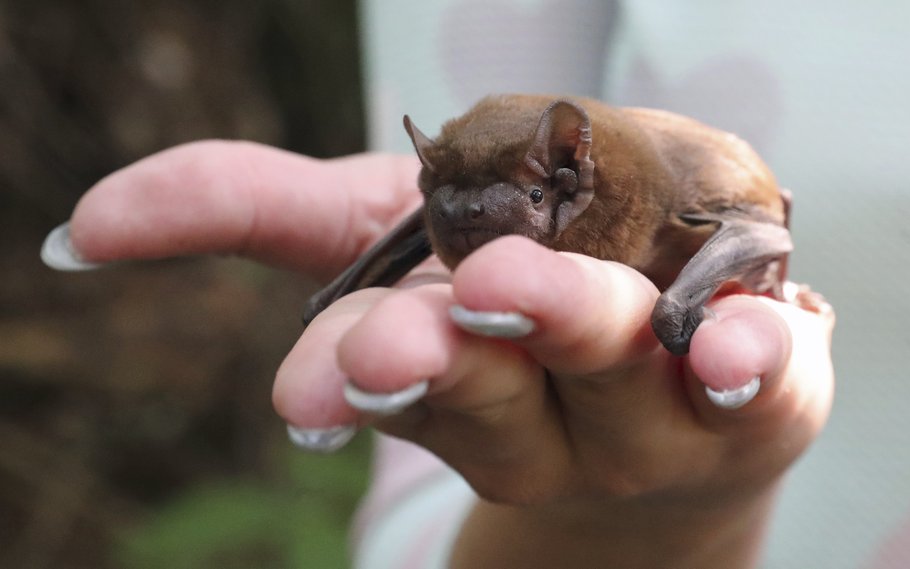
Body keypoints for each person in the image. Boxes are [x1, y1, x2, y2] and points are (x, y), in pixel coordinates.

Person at [42, 141, 835, 568]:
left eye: (502, 209)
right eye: (444, 210)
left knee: (674, 311)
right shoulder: (463, 203)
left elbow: (764, 222)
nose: (462, 226)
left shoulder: (681, 190)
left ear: (568, 185)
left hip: (715, 216)